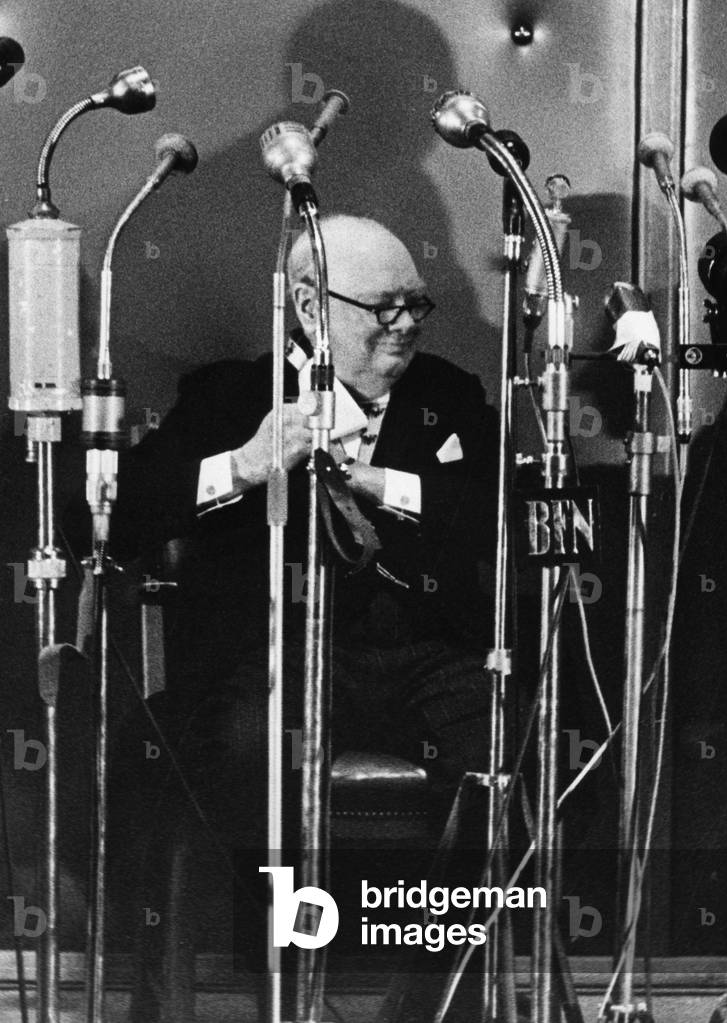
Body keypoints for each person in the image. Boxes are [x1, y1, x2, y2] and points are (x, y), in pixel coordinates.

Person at [107, 214, 501, 1021]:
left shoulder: (448, 395)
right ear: (309, 306)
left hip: (424, 653)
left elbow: (492, 514)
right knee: (246, 749)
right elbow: (122, 517)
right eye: (382, 307)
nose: (406, 326)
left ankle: (427, 1002)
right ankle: (287, 988)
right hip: (273, 654)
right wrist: (244, 465)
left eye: (416, 305)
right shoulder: (226, 395)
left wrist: (376, 479)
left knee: (513, 758)